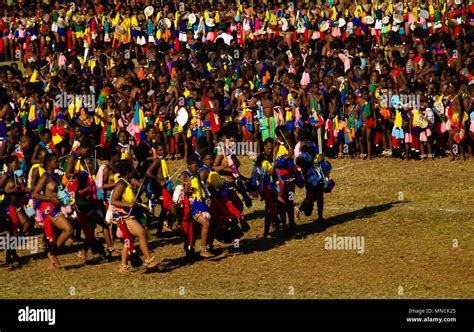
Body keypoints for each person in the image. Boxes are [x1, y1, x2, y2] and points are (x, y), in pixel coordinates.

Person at [111, 160, 159, 273]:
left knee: (129, 240)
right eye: (132, 169)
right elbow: (113, 200)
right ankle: (149, 260)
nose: (134, 171)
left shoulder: (127, 182)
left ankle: (123, 266)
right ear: (128, 171)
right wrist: (127, 204)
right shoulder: (121, 184)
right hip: (123, 216)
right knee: (141, 232)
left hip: (128, 214)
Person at [32, 154, 74, 270]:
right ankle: (52, 253)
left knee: (55, 234)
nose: (58, 164)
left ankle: (52, 262)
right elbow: (35, 193)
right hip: (48, 207)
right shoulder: (45, 177)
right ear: (49, 162)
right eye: (55, 162)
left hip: (57, 206)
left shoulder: (55, 175)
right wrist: (51, 199)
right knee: (68, 229)